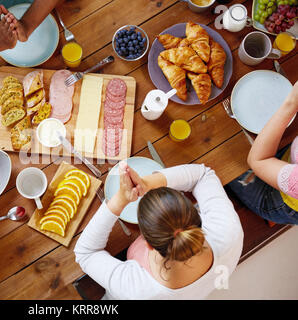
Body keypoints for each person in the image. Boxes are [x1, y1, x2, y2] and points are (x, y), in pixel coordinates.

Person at [74, 162, 243, 299]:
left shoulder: (137, 291)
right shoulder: (230, 233)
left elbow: (85, 253)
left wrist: (120, 199)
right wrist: (146, 183)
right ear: (196, 217)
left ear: (147, 244)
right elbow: (203, 175)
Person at [227, 81, 298, 225]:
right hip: (288, 160)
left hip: (278, 199)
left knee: (225, 160)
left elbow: (258, 161)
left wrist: (291, 103)